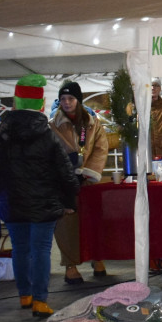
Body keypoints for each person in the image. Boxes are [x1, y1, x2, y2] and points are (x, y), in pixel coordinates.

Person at [0, 74, 79, 317]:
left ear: (15, 104)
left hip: (10, 203)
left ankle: (24, 294)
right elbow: (65, 172)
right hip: (44, 204)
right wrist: (69, 201)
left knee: (20, 248)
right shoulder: (47, 135)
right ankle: (40, 301)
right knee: (41, 250)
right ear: (41, 106)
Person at [50, 80, 109, 284]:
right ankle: (70, 265)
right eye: (63, 99)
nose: (66, 102)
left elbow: (102, 147)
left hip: (89, 181)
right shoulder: (53, 125)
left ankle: (97, 258)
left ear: (78, 100)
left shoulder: (92, 123)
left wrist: (89, 171)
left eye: (71, 98)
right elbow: (51, 154)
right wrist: (68, 168)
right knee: (67, 225)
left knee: (94, 221)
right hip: (65, 183)